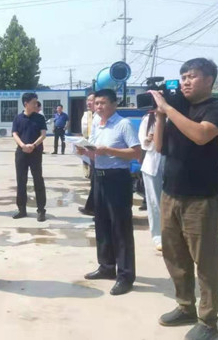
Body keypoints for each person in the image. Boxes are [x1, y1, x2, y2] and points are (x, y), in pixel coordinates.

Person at [150, 58, 218, 340]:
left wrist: (169, 109)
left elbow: (201, 135)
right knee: (175, 256)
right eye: (183, 76)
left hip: (201, 199)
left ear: (209, 80)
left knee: (205, 261)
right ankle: (185, 306)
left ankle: (208, 321)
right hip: (171, 193)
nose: (185, 81)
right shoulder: (178, 108)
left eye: (192, 76)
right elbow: (159, 147)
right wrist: (160, 116)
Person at [77, 88, 141, 296]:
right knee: (102, 224)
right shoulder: (97, 123)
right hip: (99, 177)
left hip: (117, 179)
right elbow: (95, 153)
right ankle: (106, 266)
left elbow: (136, 152)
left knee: (120, 228)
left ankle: (125, 275)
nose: (99, 107)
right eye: (96, 103)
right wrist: (84, 151)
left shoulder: (123, 124)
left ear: (114, 104)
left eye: (103, 103)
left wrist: (109, 151)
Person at [11, 92, 47, 222]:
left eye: (36, 102)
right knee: (21, 181)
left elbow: (43, 134)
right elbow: (15, 134)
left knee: (38, 180)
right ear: (26, 103)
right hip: (21, 153)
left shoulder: (39, 118)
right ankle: (22, 209)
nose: (36, 104)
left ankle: (41, 210)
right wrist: (22, 145)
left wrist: (33, 145)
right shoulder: (18, 118)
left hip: (35, 152)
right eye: (33, 102)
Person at [138, 110, 164, 251]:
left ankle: (176, 237)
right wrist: (148, 139)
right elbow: (143, 142)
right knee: (154, 202)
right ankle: (158, 237)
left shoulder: (177, 114)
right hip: (152, 164)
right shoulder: (149, 118)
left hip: (173, 162)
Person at [78, 93, 95, 216]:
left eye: (91, 100)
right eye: (87, 100)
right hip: (89, 149)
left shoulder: (100, 117)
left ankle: (92, 208)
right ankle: (91, 207)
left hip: (98, 152)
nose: (88, 103)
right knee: (93, 180)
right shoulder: (88, 115)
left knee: (95, 181)